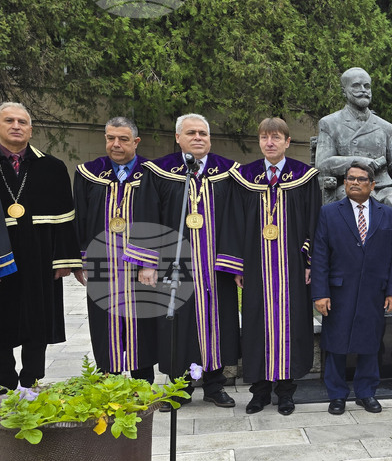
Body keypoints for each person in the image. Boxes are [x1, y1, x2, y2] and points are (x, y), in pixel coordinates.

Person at [144, 114, 243, 407]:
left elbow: (237, 219)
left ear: (210, 139)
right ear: (178, 138)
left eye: (203, 133)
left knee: (218, 322)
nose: (198, 137)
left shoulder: (228, 172)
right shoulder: (160, 171)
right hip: (176, 265)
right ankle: (179, 387)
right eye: (191, 132)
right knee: (177, 324)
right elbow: (149, 216)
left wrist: (235, 263)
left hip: (216, 267)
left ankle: (215, 385)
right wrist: (148, 263)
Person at [232, 118, 320, 416]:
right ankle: (258, 392)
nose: (269, 142)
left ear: (287, 142)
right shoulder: (245, 177)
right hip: (256, 268)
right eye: (264, 137)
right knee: (256, 326)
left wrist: (309, 262)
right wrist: (237, 266)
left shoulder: (304, 177)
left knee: (291, 326)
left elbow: (314, 223)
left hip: (292, 267)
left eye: (275, 137)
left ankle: (285, 392)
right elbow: (235, 224)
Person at [0, 102, 83, 389]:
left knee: (38, 319)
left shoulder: (52, 167)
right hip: (2, 255)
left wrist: (64, 261)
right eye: (9, 120)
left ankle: (31, 380)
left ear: (31, 130)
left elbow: (66, 220)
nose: (16, 126)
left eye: (22, 122)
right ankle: (5, 382)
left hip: (41, 256)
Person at [312, 161, 392, 415]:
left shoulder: (388, 215)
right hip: (338, 292)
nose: (354, 182)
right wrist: (320, 293)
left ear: (372, 185)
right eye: (350, 178)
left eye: (361, 179)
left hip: (374, 292)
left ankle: (366, 393)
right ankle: (337, 395)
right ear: (344, 182)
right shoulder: (329, 213)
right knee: (336, 343)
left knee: (371, 343)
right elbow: (320, 255)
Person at [73, 117, 159, 382]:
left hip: (139, 264)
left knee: (140, 323)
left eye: (123, 139)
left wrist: (150, 263)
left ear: (136, 142)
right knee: (104, 323)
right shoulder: (88, 173)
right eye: (111, 138)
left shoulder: (152, 173)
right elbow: (81, 218)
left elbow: (158, 218)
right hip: (102, 262)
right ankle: (108, 383)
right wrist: (81, 259)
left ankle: (143, 383)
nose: (116, 144)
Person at [315, 67, 392, 211]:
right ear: (344, 91)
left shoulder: (385, 126)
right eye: (356, 86)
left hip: (383, 187)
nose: (363, 90)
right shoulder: (330, 123)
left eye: (367, 86)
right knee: (361, 207)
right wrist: (359, 162)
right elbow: (323, 164)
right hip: (350, 185)